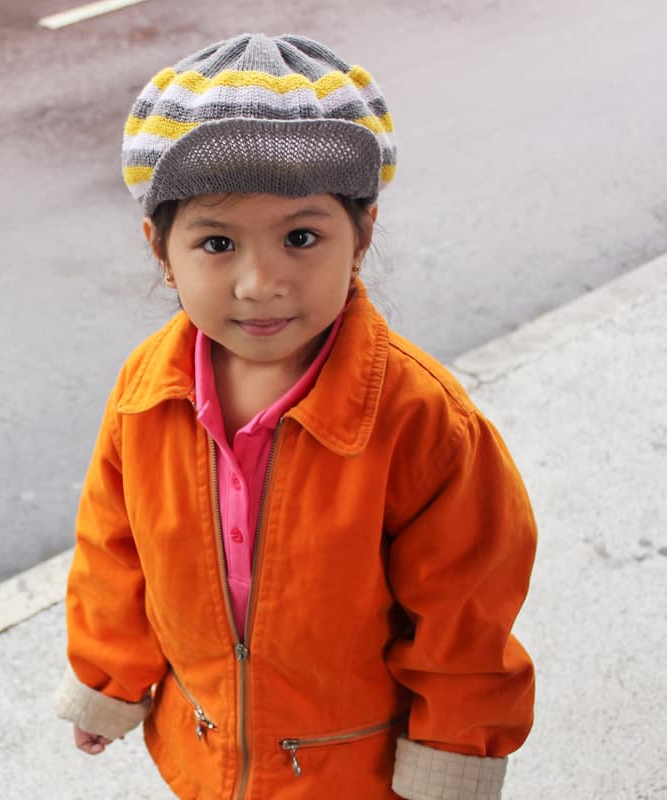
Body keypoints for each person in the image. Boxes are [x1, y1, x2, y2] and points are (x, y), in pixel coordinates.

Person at [52, 33, 536, 799]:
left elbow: (464, 612)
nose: (259, 282)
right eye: (217, 242)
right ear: (161, 251)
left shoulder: (422, 419)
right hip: (204, 753)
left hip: (354, 771)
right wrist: (109, 680)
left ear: (362, 234)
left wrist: (452, 755)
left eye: (301, 237)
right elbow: (113, 549)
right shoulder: (145, 390)